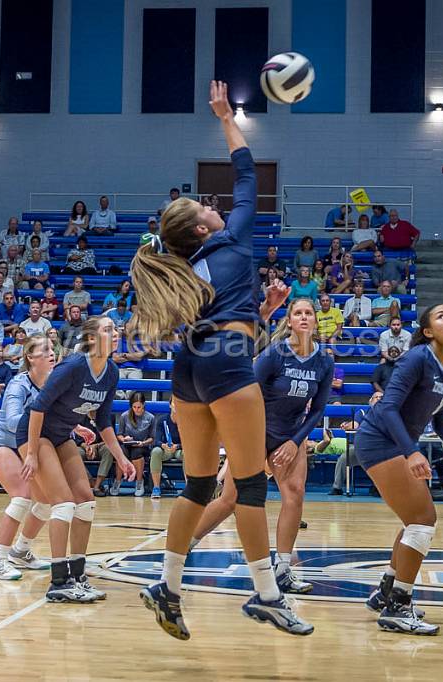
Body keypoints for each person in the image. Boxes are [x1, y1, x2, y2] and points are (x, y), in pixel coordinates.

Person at [132, 82, 311, 639]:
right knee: (250, 487)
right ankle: (267, 596)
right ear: (204, 228)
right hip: (227, 358)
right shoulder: (231, 241)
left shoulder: (185, 269)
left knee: (197, 486)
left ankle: (168, 586)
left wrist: (265, 309)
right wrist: (225, 117)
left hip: (191, 364)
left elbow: (219, 326)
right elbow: (246, 173)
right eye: (207, 208)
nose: (217, 207)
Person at [353, 303, 443, 635]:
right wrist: (412, 452)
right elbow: (387, 408)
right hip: (379, 441)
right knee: (423, 520)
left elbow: (441, 422)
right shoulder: (417, 358)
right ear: (428, 331)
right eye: (442, 316)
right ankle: (399, 605)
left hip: (395, 445)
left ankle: (388, 589)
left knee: (414, 521)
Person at [190, 297, 334, 596]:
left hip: (291, 434)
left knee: (294, 494)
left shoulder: (325, 361)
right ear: (290, 320)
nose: (305, 317)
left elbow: (318, 409)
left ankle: (283, 569)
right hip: (255, 430)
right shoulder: (275, 354)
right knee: (230, 499)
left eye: (309, 312)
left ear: (315, 320)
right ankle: (183, 545)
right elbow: (245, 391)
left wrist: (295, 442)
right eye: (298, 313)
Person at [14, 316, 134, 602]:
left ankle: (78, 575)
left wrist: (121, 458)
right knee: (63, 503)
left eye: (116, 330)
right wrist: (31, 453)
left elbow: (103, 421)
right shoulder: (73, 366)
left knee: (85, 500)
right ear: (92, 339)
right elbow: (38, 409)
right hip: (37, 433)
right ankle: (58, 582)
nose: (115, 333)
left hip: (61, 435)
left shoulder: (112, 372)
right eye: (108, 330)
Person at [0, 335, 56, 579]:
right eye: (44, 350)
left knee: (46, 500)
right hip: (1, 442)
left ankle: (21, 551)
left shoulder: (50, 383)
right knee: (23, 496)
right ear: (30, 358)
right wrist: (41, 426)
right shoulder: (18, 385)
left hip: (25, 445)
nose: (51, 352)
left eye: (51, 348)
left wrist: (76, 428)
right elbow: (15, 422)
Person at [118, 392, 157, 497]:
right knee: (120, 453)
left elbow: (152, 438)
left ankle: (139, 482)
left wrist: (143, 443)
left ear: (144, 404)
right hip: (127, 444)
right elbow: (119, 435)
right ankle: (117, 482)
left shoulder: (151, 418)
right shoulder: (124, 416)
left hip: (142, 446)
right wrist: (124, 439)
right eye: (134, 407)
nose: (136, 409)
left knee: (136, 453)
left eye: (139, 407)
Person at [150, 397, 184, 499]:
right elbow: (156, 440)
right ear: (170, 405)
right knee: (156, 451)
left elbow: (190, 441)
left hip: (179, 449)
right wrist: (163, 445)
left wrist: (177, 446)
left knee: (188, 453)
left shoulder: (186, 420)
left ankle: (189, 489)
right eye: (173, 403)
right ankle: (156, 488)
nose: (175, 405)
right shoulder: (162, 420)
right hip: (166, 449)